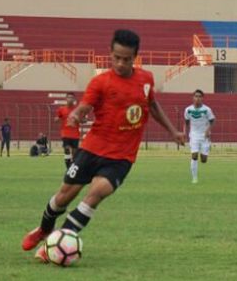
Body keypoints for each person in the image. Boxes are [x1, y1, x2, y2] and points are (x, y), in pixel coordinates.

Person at [21, 29, 186, 261]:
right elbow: (85, 106)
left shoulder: (146, 79)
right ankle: (44, 230)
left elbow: (152, 105)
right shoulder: (100, 82)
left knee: (95, 195)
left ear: (135, 57)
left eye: (126, 59)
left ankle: (55, 245)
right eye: (116, 57)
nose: (120, 63)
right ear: (110, 54)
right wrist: (76, 115)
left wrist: (173, 130)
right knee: (64, 197)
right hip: (92, 149)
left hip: (121, 157)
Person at [184, 89, 215, 184]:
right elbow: (186, 122)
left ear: (202, 98)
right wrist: (184, 133)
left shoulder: (207, 110)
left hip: (204, 136)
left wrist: (208, 130)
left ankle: (207, 147)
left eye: (199, 96)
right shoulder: (188, 110)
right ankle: (194, 178)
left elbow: (212, 121)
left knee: (204, 160)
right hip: (194, 135)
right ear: (193, 98)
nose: (197, 98)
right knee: (194, 155)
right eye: (196, 96)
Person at [55, 92, 81, 169]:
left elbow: (84, 120)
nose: (70, 99)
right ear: (66, 99)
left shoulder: (77, 109)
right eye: (68, 97)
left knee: (75, 153)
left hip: (75, 134)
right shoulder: (61, 109)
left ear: (74, 99)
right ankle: (68, 168)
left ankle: (72, 167)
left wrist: (78, 119)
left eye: (72, 97)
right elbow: (57, 117)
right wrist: (57, 119)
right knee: (66, 149)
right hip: (65, 133)